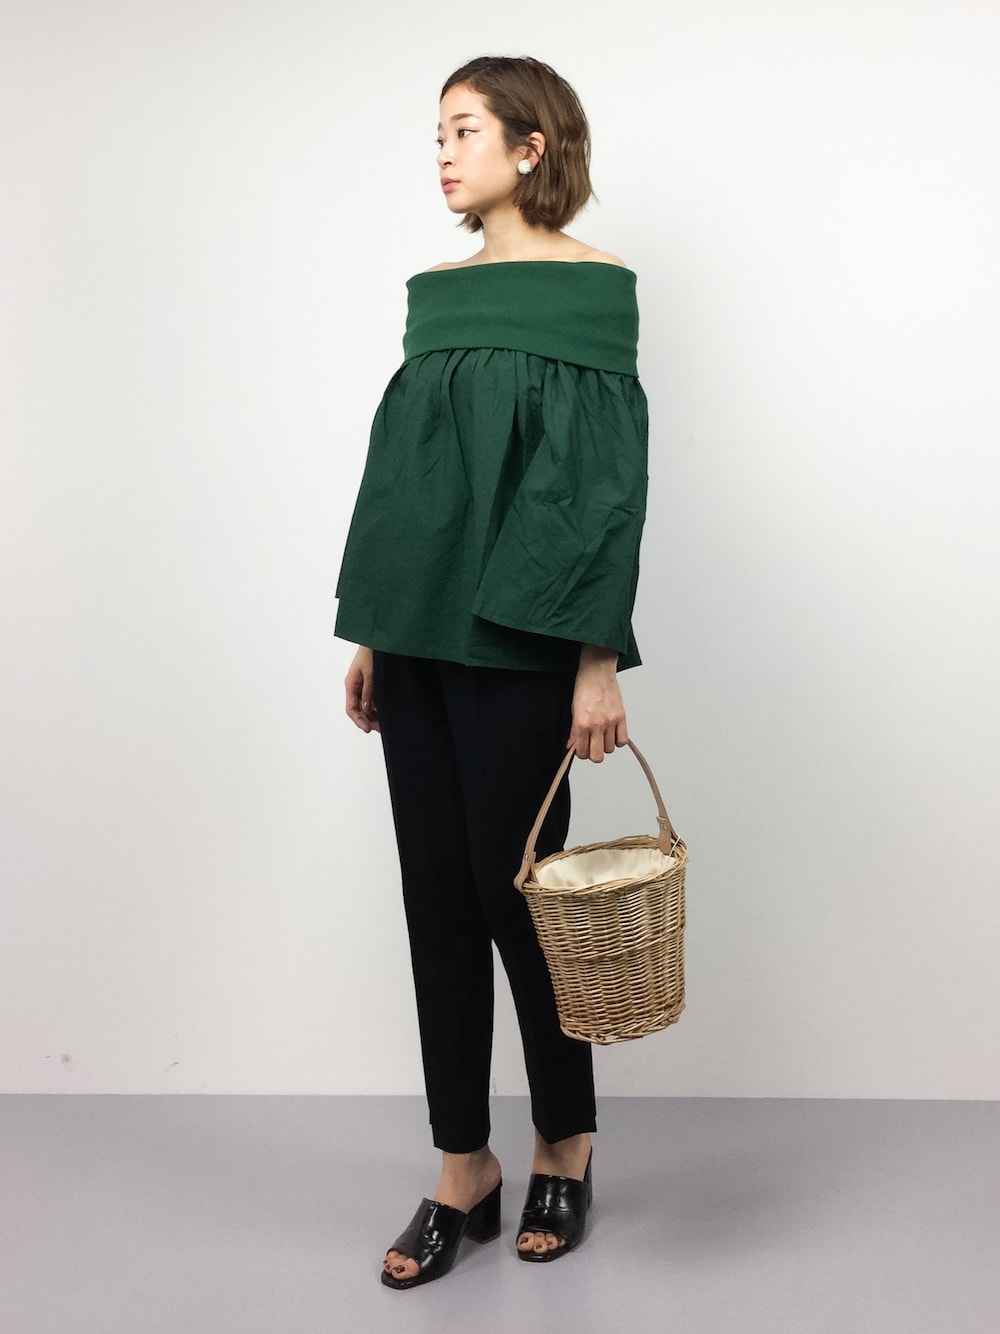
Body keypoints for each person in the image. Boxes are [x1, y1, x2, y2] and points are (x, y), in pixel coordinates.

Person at [335, 55, 648, 1290]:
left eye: (463, 130)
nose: (442, 154)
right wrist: (374, 628)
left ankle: (564, 1140)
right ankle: (460, 1163)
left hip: (525, 636)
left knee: (519, 893)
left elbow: (600, 489)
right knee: (436, 896)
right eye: (436, 134)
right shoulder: (436, 295)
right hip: (417, 629)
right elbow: (408, 479)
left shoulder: (594, 289)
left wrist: (594, 661)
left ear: (531, 146)